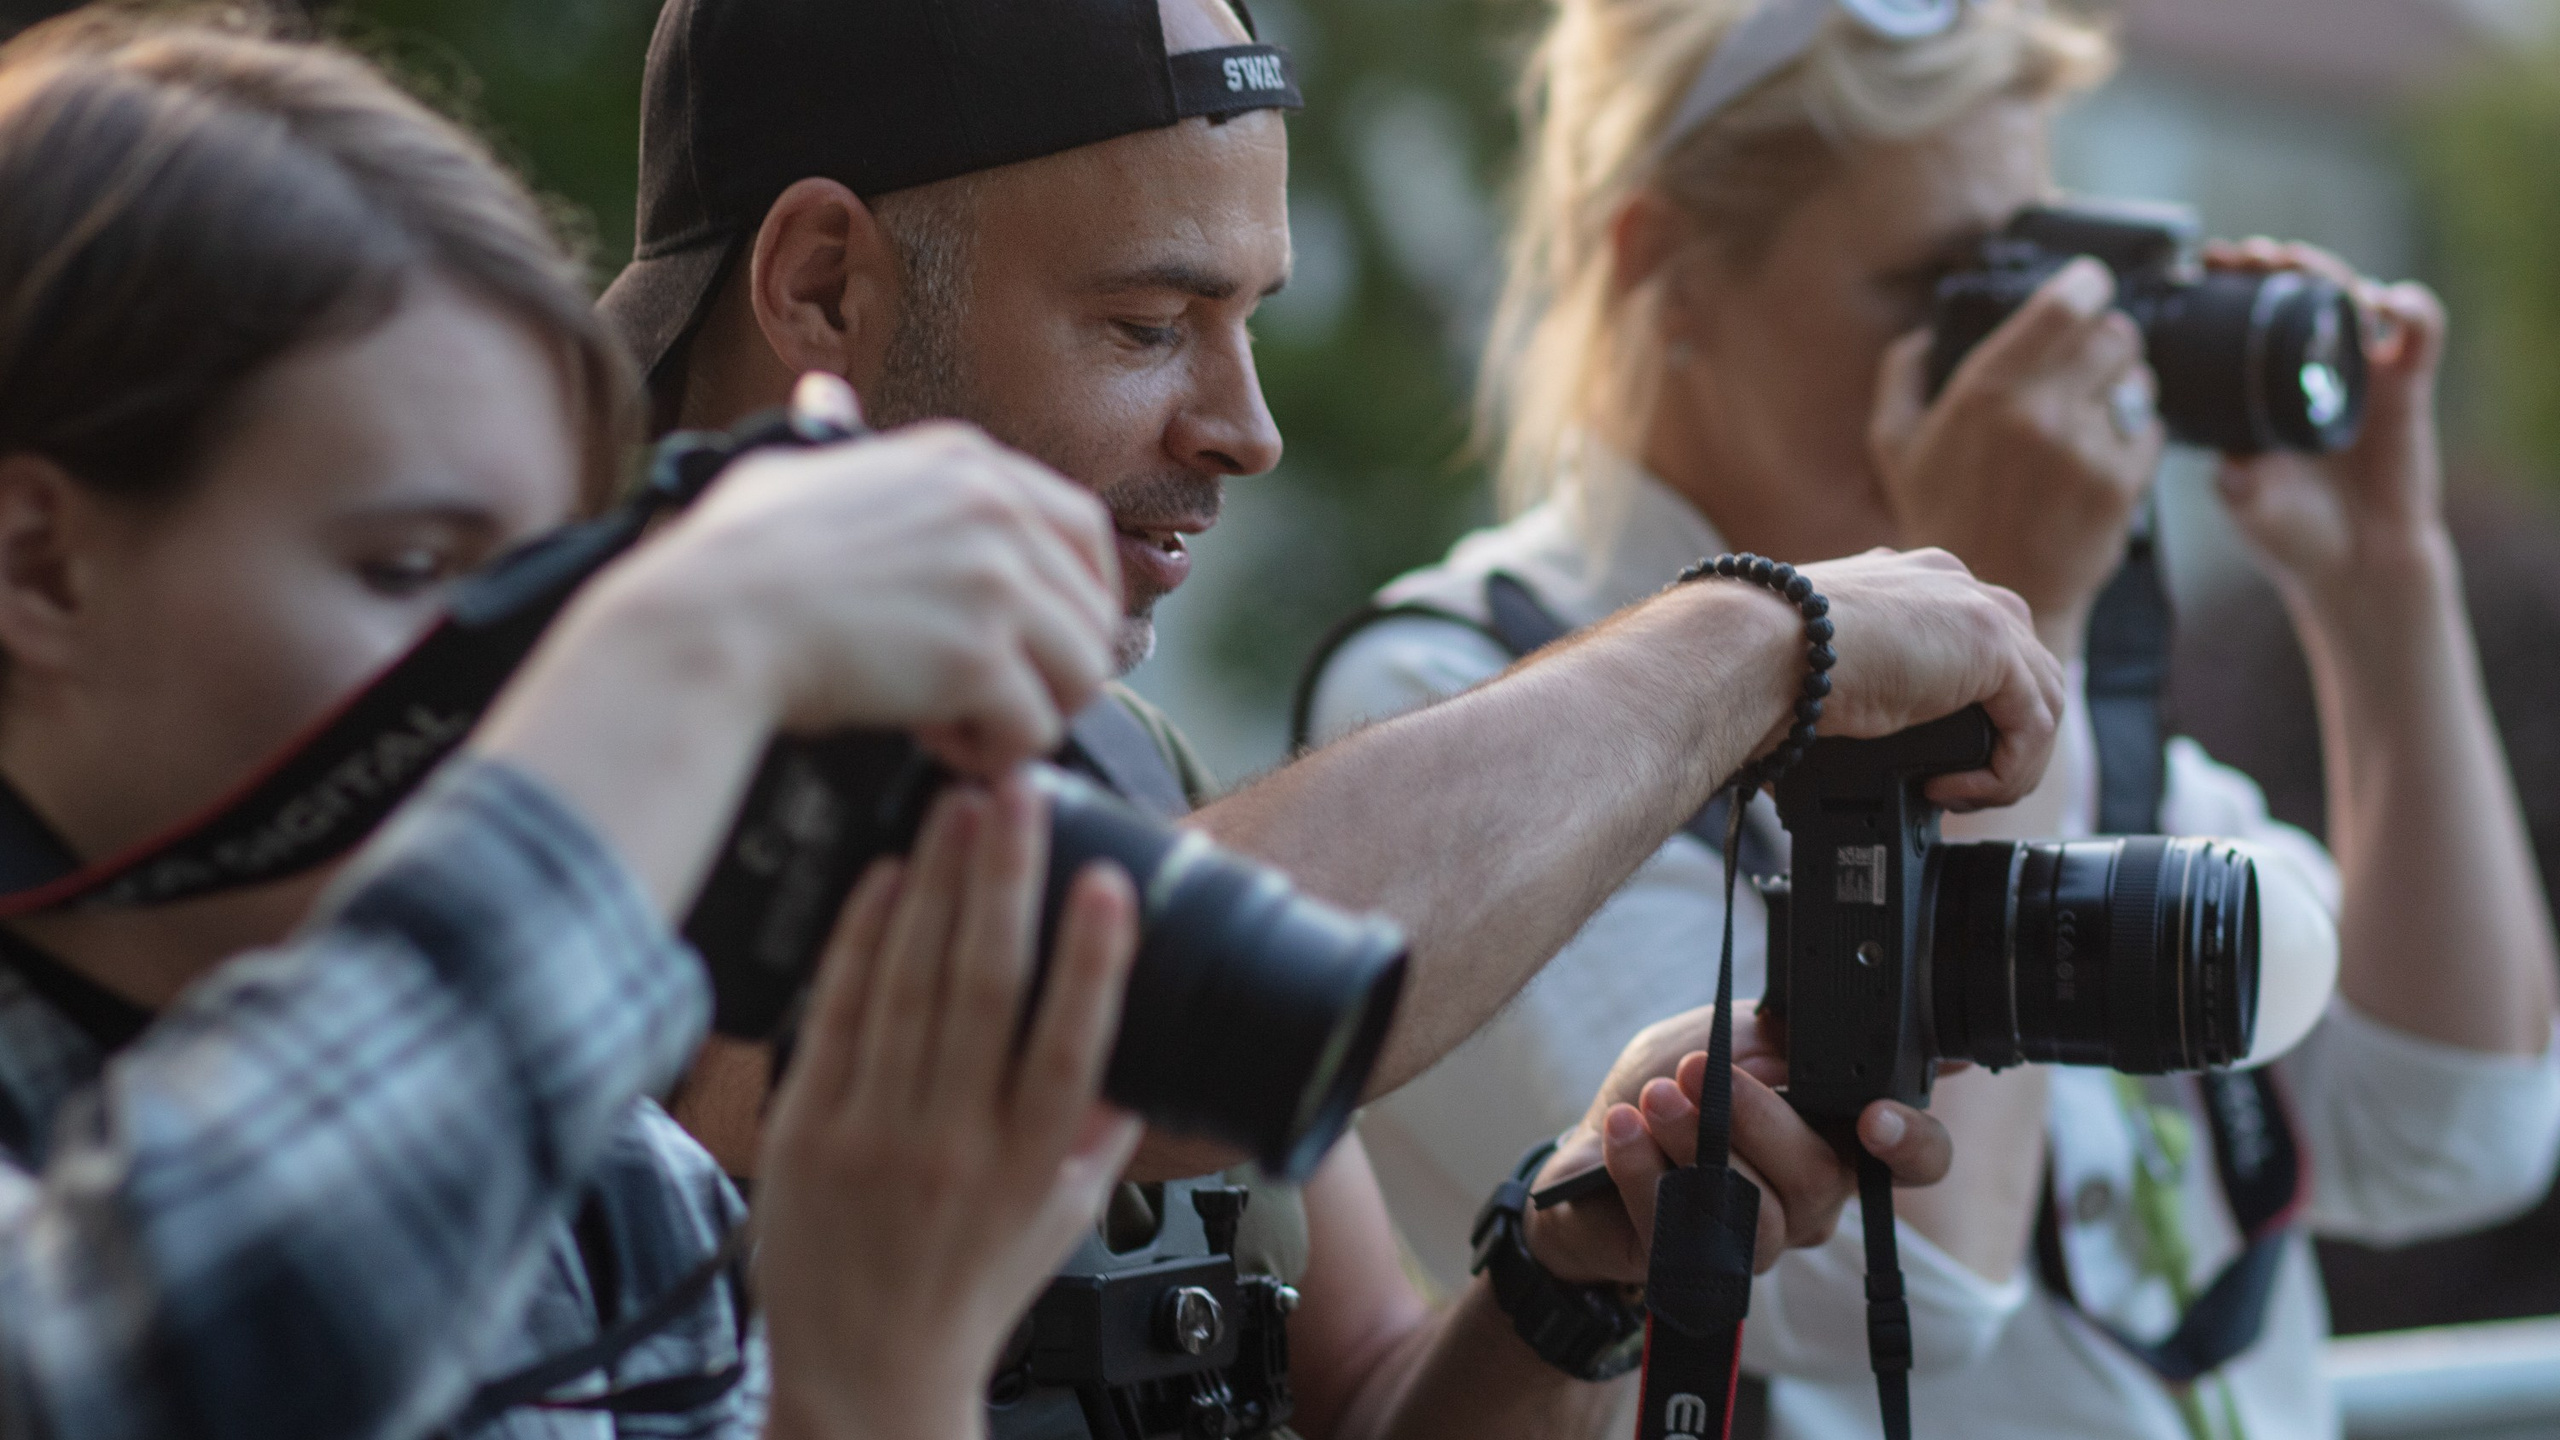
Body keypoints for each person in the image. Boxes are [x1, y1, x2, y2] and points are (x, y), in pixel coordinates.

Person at [602, 0, 2069, 1434]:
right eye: (1147, 322)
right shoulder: (574, 767)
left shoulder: (1115, 757)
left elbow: (1367, 1392)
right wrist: (1751, 639)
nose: (1245, 428)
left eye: (1246, 320)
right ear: (821, 291)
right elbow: (1075, 1044)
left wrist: (1574, 1267)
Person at [1299, 1, 2560, 1437]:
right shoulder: (1460, 695)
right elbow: (1894, 1300)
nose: (2008, 355)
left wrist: (2384, 589)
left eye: (2029, 276)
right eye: (1935, 288)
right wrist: (2009, 599)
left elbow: (2458, 1136)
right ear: (1668, 269)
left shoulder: (2077, 660)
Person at [0, 13, 1147, 1439]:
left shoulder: (610, 1192)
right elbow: (135, 1376)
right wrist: (694, 649)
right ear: (41, 567)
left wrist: (879, 1382)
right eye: (411, 569)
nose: (526, 670)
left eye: (541, 582)